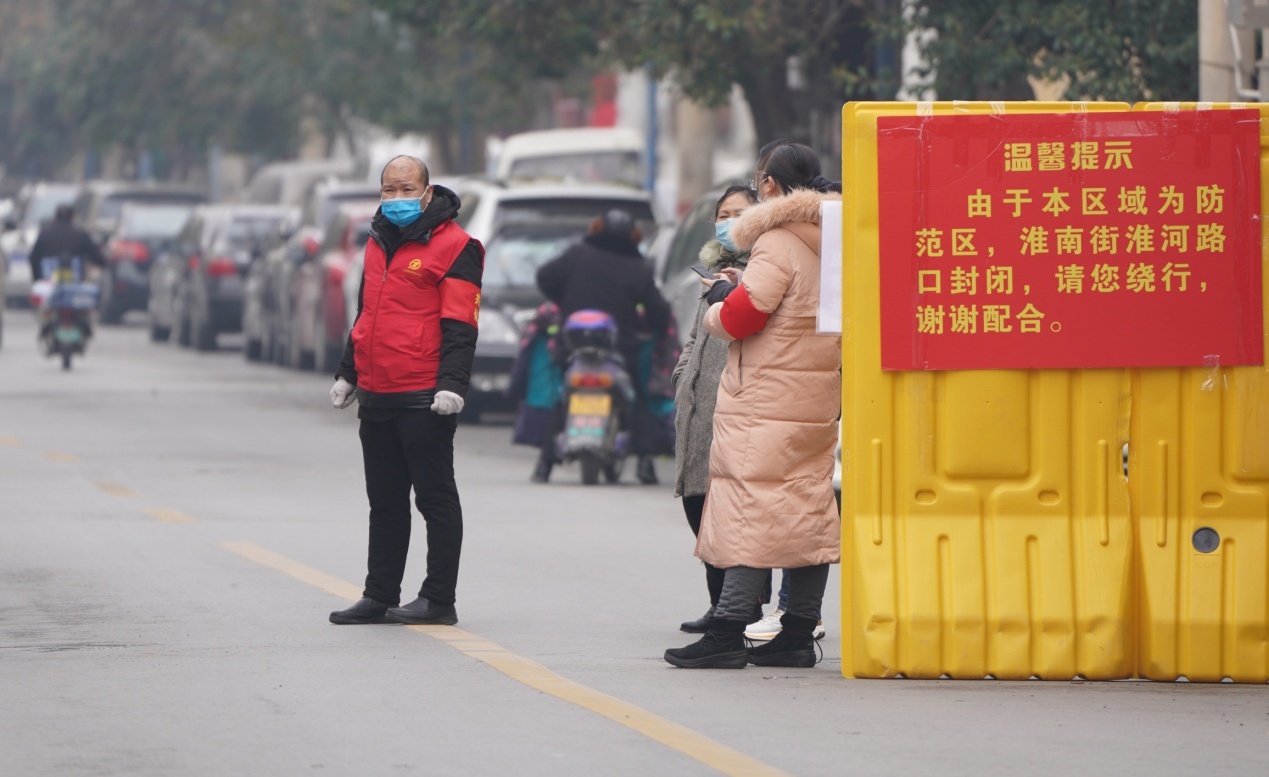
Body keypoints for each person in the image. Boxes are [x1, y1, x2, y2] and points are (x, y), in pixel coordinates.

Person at [665, 143, 842, 669]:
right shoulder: (836, 242)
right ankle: (795, 633)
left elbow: (745, 318)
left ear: (767, 185)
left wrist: (720, 299)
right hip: (814, 397)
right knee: (806, 509)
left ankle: (726, 630)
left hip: (766, 397)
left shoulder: (777, 242)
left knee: (748, 506)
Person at [327, 155, 484, 627]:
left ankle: (439, 599)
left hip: (424, 396)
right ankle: (379, 595)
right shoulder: (377, 241)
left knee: (434, 498)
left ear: (428, 191)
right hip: (377, 392)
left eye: (406, 188)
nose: (397, 198)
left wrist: (452, 385)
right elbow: (366, 315)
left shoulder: (457, 247)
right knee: (385, 501)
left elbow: (460, 325)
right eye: (388, 189)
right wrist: (348, 373)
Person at [672, 185, 770, 633]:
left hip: (735, 405)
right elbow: (696, 337)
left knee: (729, 511)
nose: (729, 221)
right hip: (697, 406)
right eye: (723, 214)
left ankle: (740, 607)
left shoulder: (765, 270)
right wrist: (682, 376)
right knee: (699, 506)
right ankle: (721, 603)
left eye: (740, 213)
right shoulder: (712, 268)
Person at [535, 209, 671, 484]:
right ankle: (645, 463)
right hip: (619, 348)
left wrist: (567, 300)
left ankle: (544, 464)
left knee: (564, 397)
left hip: (572, 344)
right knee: (636, 398)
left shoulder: (576, 255)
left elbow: (545, 276)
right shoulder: (639, 268)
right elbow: (659, 311)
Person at [28, 204, 105, 341]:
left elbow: (34, 259)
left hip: (49, 284)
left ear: (55, 217)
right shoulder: (80, 234)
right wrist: (104, 264)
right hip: (74, 284)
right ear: (73, 218)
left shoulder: (45, 234)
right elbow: (97, 257)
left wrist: (37, 278)